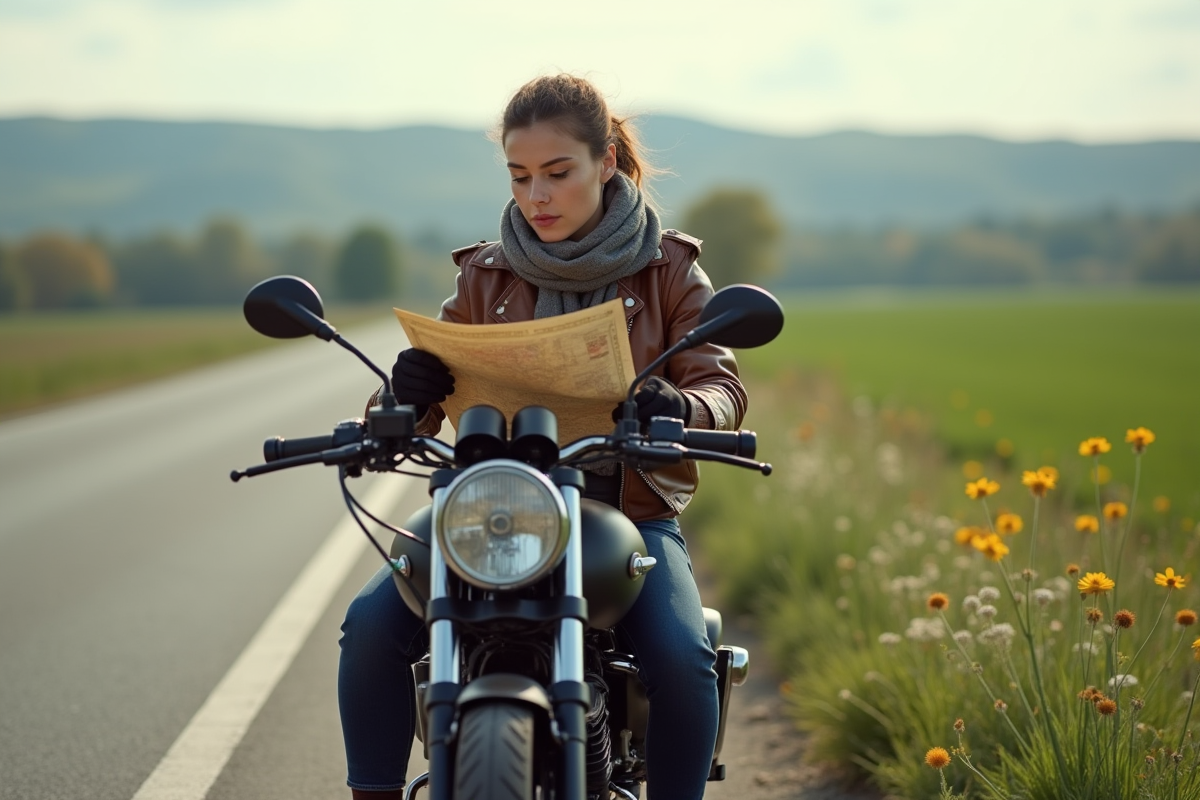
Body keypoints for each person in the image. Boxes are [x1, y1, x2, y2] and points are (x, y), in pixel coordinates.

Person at [338, 73, 748, 800]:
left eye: (558, 173)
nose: (537, 196)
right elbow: (411, 410)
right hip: (487, 507)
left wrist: (679, 407)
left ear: (607, 163)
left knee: (685, 656)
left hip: (627, 515)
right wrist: (401, 396)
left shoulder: (672, 271)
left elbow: (723, 386)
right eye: (521, 176)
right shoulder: (481, 277)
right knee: (369, 625)